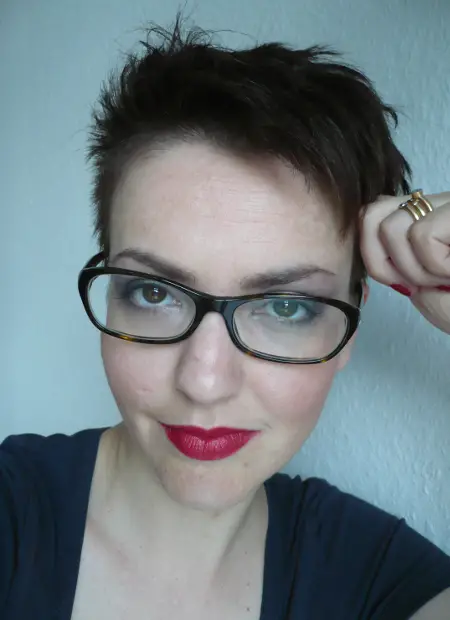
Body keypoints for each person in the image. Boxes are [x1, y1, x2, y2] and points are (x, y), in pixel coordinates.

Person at [1, 18, 450, 620]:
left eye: (285, 306)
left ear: (350, 331)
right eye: (154, 293)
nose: (204, 382)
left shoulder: (383, 580)